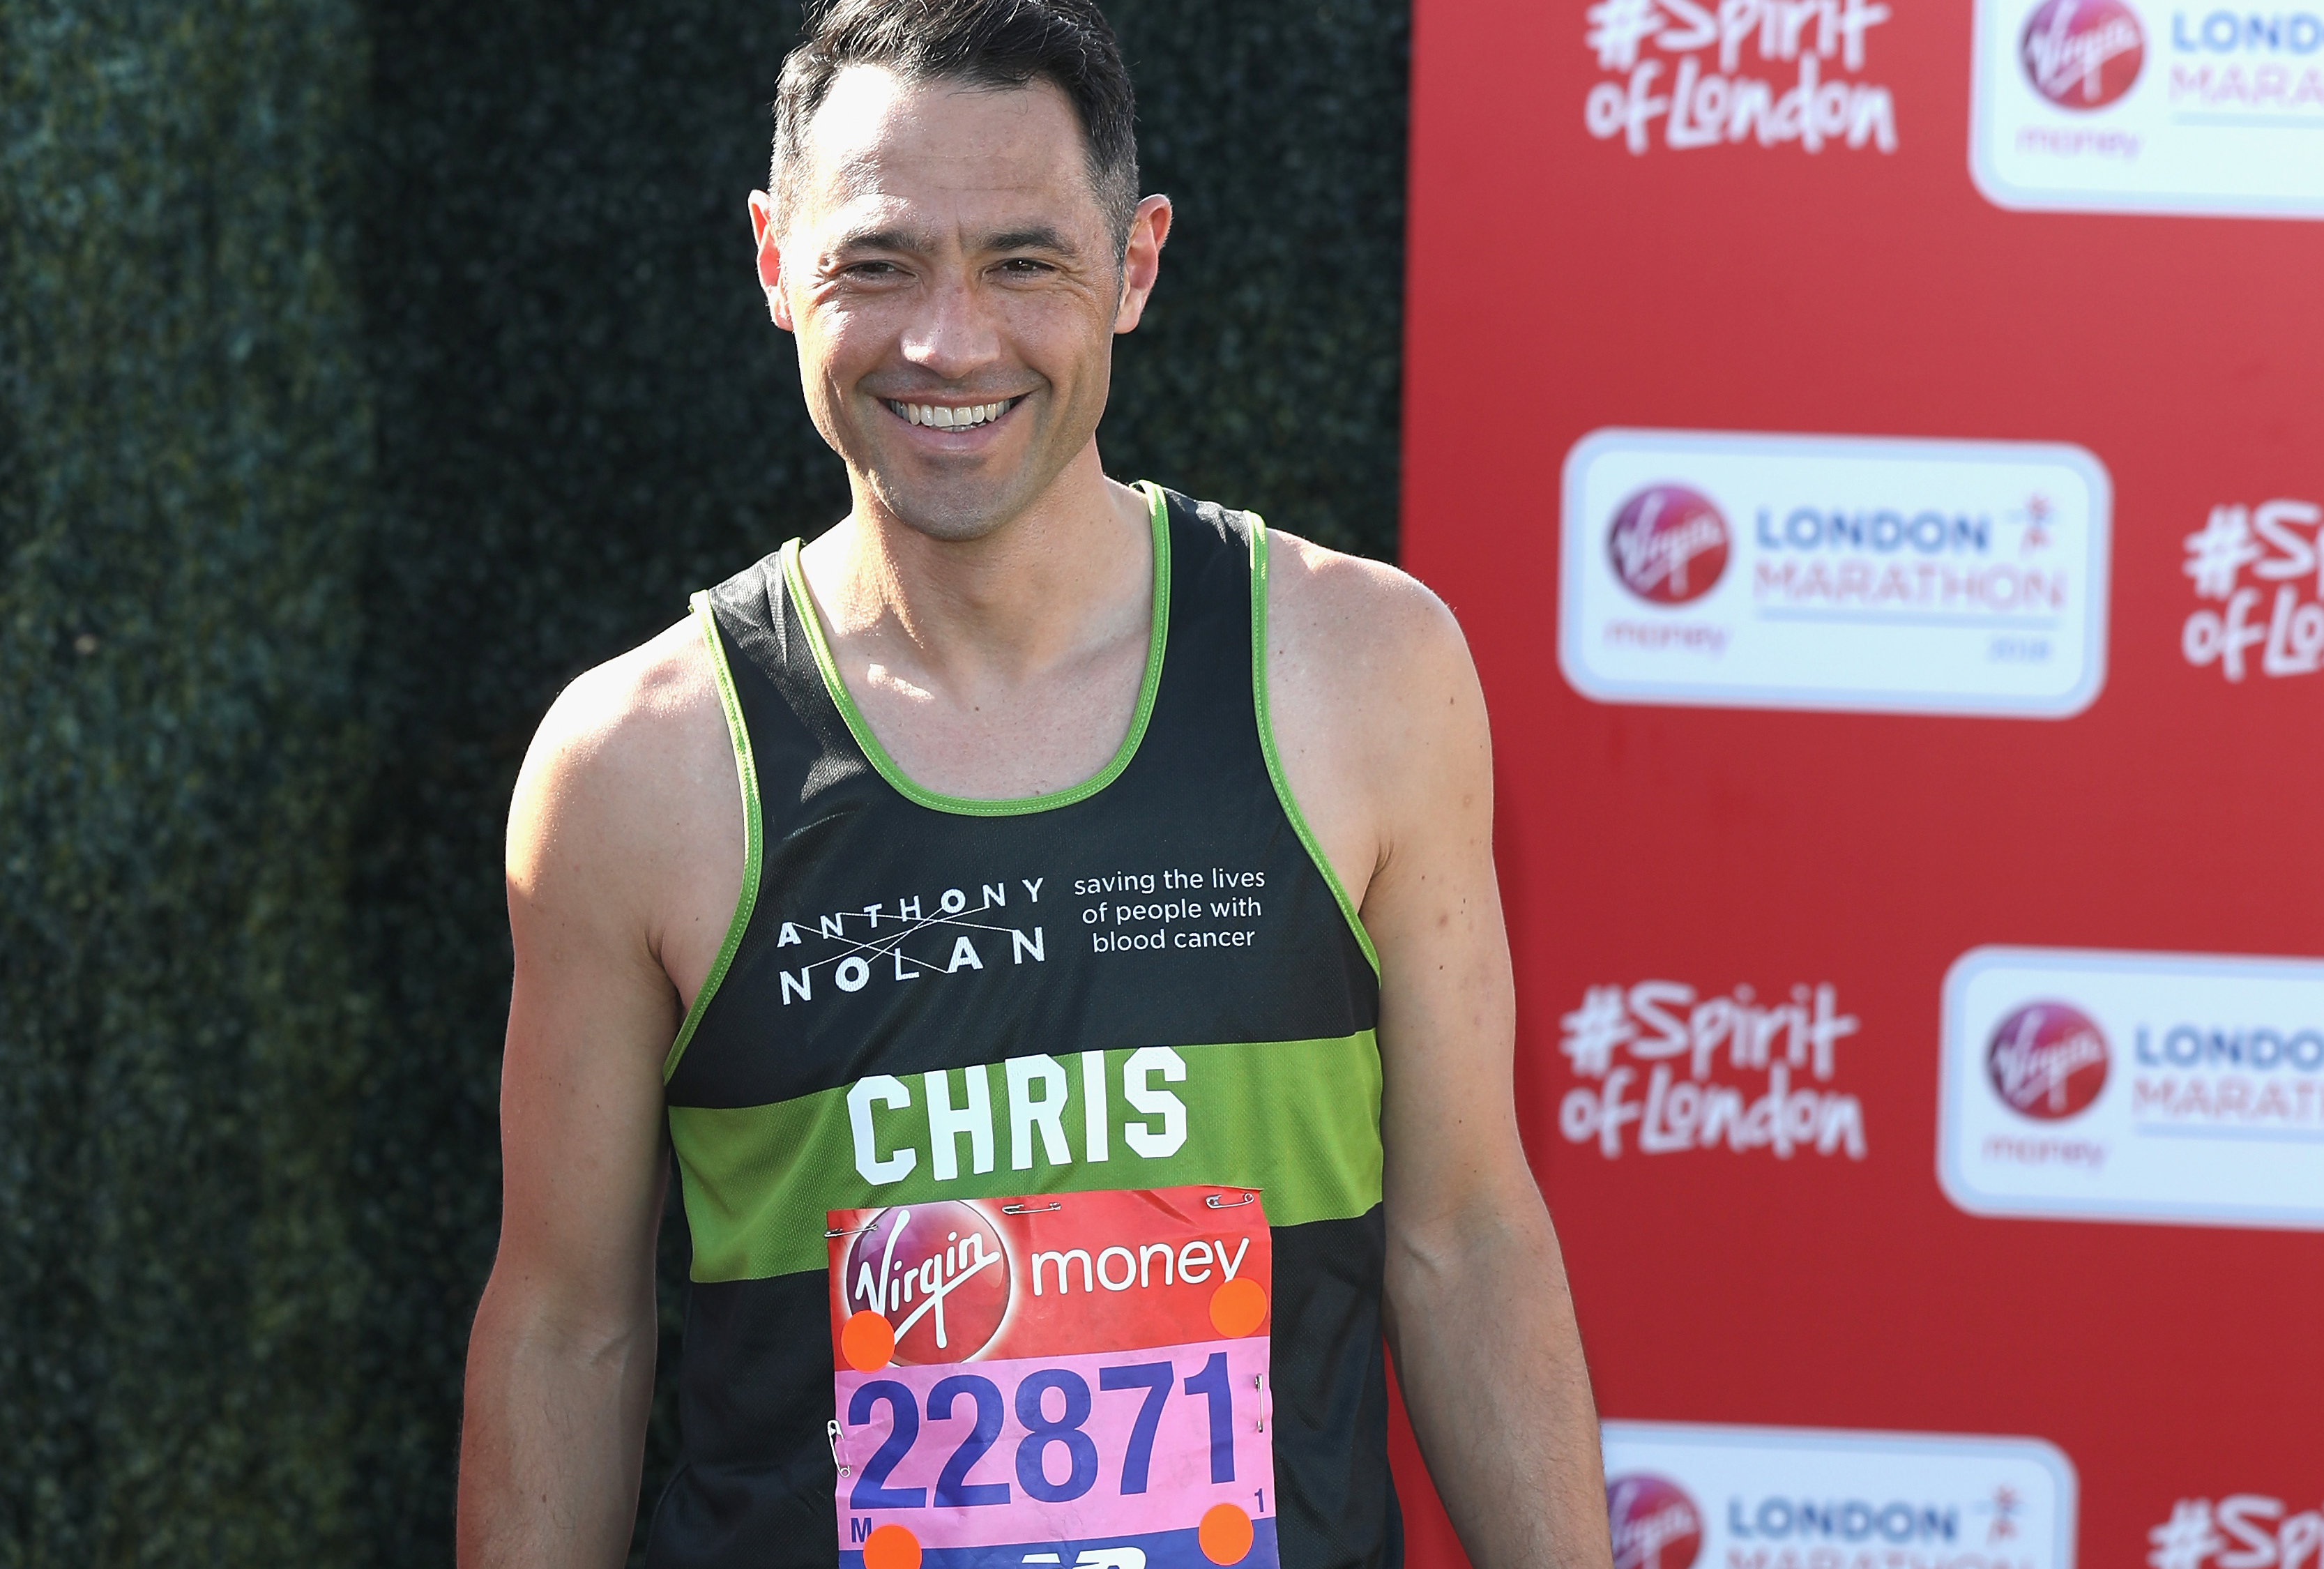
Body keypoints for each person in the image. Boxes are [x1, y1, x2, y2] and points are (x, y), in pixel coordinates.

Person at [457, 2, 1611, 1566]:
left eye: (1021, 262)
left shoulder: (1361, 674)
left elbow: (1464, 1240)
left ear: (1132, 266)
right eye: (875, 262)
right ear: (771, 258)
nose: (948, 341)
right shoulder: (635, 766)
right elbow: (566, 1333)